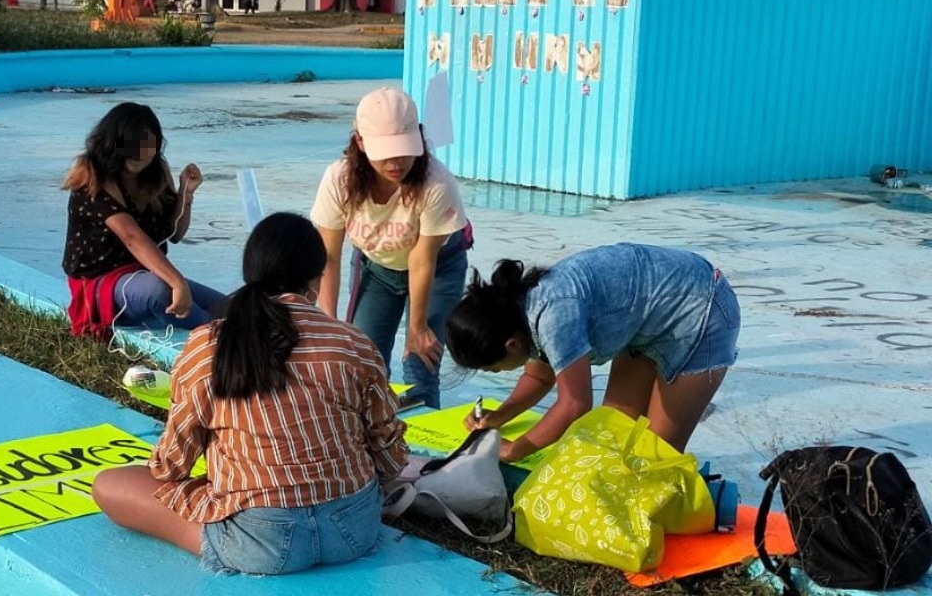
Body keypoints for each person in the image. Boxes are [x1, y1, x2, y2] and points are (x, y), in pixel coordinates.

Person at [92, 212, 409, 575]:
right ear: (317, 278)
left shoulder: (207, 345)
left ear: (250, 273)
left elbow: (171, 466)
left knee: (109, 484)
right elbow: (388, 454)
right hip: (355, 531)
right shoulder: (353, 343)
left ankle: (218, 535)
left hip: (260, 543)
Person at [445, 243, 740, 462]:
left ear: (511, 345)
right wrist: (499, 417)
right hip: (648, 317)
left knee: (655, 456)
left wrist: (515, 449)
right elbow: (539, 376)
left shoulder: (553, 314)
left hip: (701, 308)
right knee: (614, 436)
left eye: (494, 368)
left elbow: (574, 404)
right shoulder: (515, 311)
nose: (498, 373)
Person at [311, 87, 472, 410]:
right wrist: (328, 324)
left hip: (438, 269)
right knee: (362, 361)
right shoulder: (338, 180)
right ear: (360, 143)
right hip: (376, 268)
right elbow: (329, 256)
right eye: (385, 152)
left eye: (404, 150)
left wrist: (417, 327)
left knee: (420, 365)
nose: (396, 163)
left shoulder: (437, 182)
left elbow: (422, 259)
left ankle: (421, 455)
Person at [61, 102, 224, 338]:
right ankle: (222, 336)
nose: (140, 159)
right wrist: (178, 283)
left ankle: (229, 328)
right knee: (160, 291)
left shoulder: (155, 171)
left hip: (144, 272)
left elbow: (175, 233)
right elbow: (132, 237)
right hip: (101, 283)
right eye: (132, 152)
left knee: (227, 306)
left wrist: (185, 195)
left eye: (147, 150)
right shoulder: (92, 177)